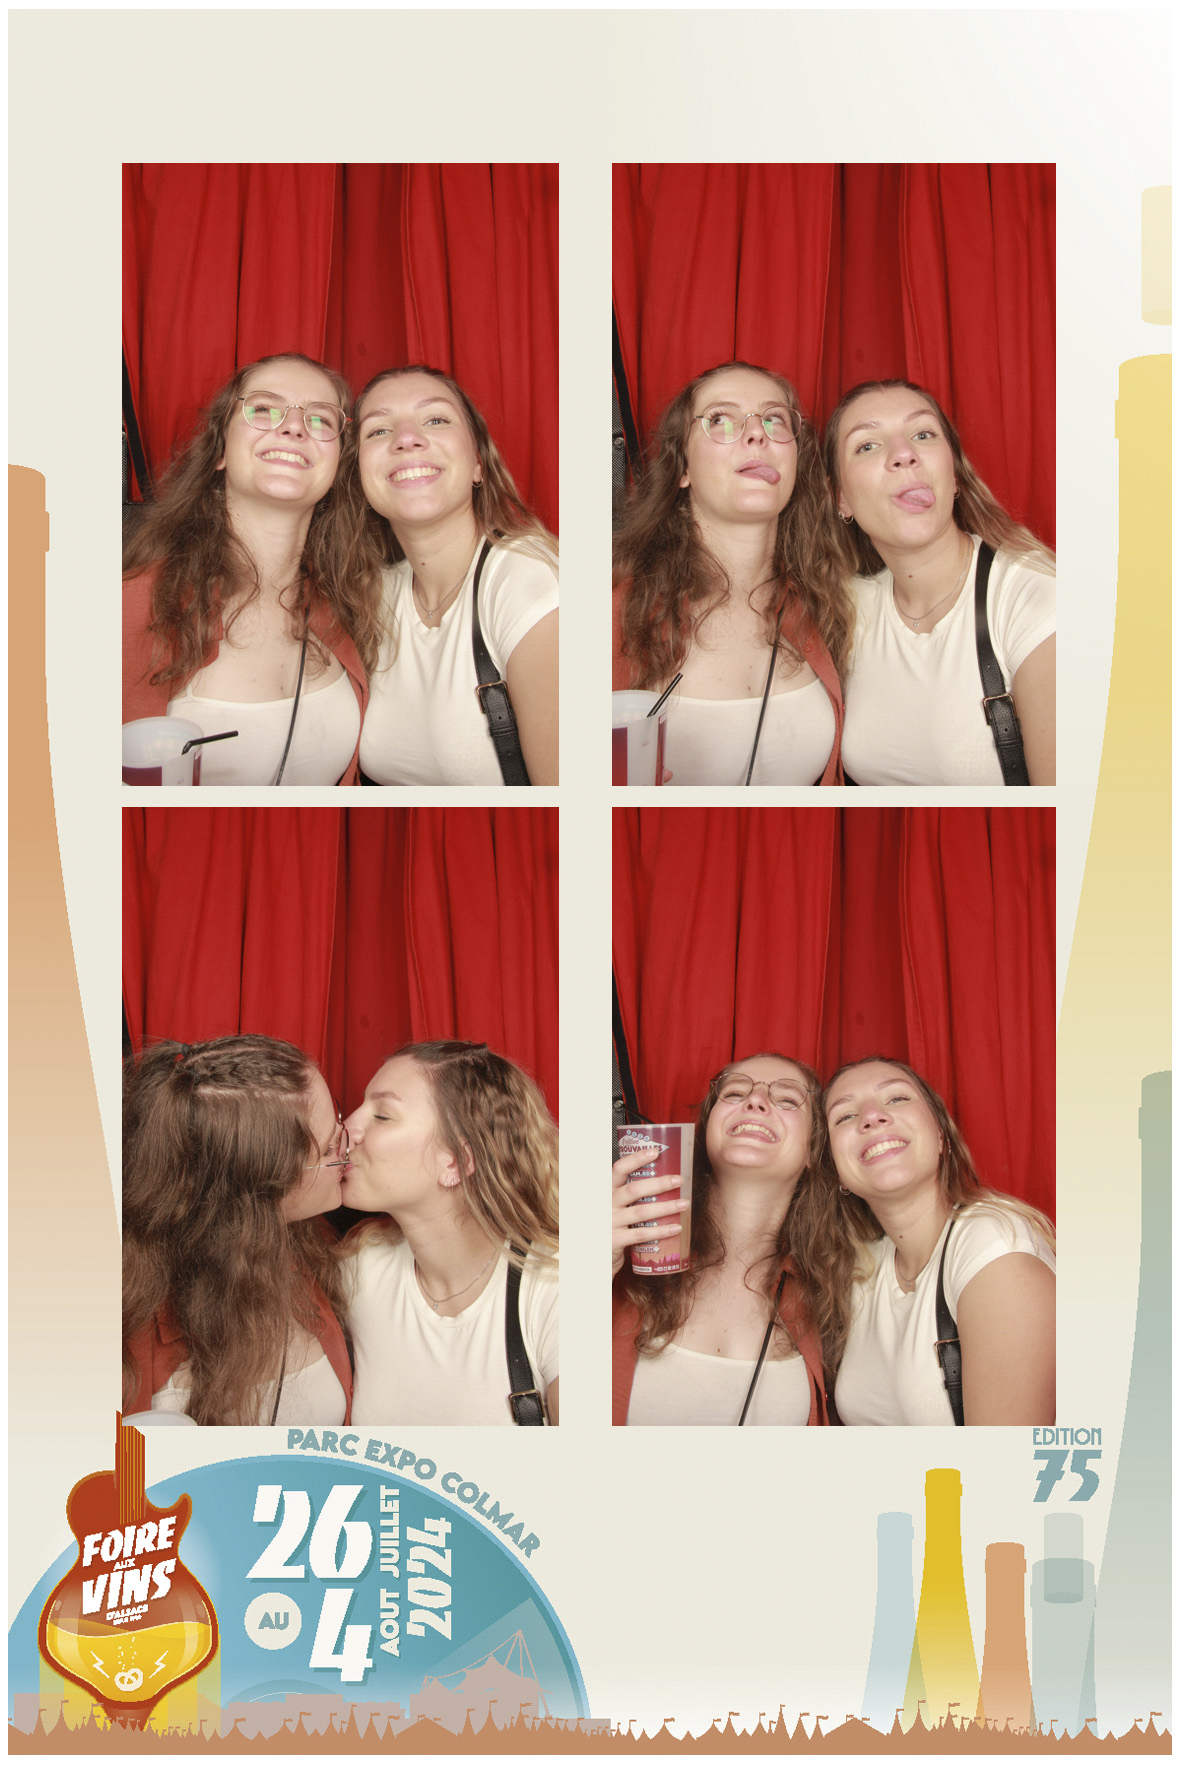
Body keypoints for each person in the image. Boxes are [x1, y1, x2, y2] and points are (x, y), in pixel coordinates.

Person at [123, 353, 375, 785]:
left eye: (320, 419)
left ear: (338, 464)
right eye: (263, 409)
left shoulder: (353, 602)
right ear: (220, 450)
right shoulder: (133, 602)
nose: (294, 426)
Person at [612, 362, 850, 785]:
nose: (757, 433)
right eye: (720, 419)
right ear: (682, 469)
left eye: (775, 419)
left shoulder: (830, 603)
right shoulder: (612, 612)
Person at [798, 1057, 1055, 1426]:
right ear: (835, 1170)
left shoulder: (997, 1251)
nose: (872, 1116)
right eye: (845, 1116)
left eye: (897, 1098)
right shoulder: (865, 1267)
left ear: (941, 1136)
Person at [823, 379, 1056, 786]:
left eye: (923, 434)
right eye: (868, 445)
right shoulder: (847, 608)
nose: (904, 454)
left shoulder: (1035, 601)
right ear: (841, 498)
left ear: (955, 476)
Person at [122, 1036, 353, 1426]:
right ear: (258, 1187)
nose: (348, 1146)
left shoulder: (315, 1252)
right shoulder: (127, 1322)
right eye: (329, 1150)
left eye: (338, 1121)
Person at [344, 366, 559, 785]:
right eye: (378, 430)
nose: (407, 438)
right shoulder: (373, 596)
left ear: (478, 463)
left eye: (436, 420)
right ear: (359, 475)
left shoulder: (528, 577)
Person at [339, 1041, 559, 1425]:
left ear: (455, 1162)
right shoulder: (358, 1269)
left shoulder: (553, 1286)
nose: (347, 1129)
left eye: (383, 1116)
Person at [612, 1054, 829, 1426]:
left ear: (813, 1149)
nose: (755, 1100)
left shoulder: (832, 1293)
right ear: (706, 1130)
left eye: (787, 1099)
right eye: (734, 1093)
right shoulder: (624, 1256)